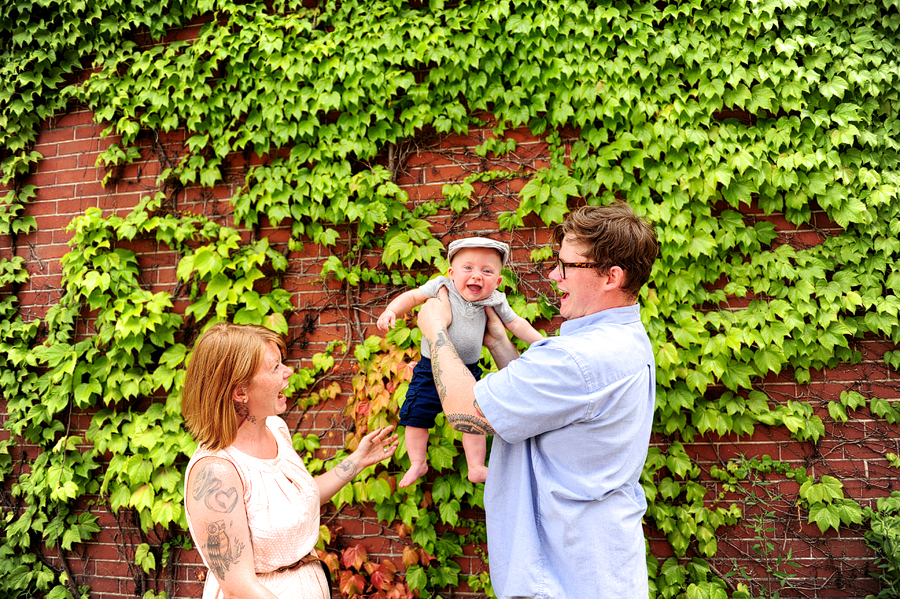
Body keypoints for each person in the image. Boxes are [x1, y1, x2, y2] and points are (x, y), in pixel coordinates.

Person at [416, 203, 659, 599]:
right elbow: (543, 403)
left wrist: (437, 333)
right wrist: (497, 342)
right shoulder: (624, 340)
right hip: (598, 569)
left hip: (564, 577)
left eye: (567, 266)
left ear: (611, 276)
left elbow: (467, 412)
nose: (553, 275)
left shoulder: (578, 358)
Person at [181, 323, 399, 599]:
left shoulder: (275, 429)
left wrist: (357, 461)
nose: (288, 372)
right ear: (240, 392)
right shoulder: (216, 473)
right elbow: (240, 587)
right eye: (274, 368)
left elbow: (298, 502)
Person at [376, 237, 543, 488]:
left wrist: (543, 344)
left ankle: (475, 467)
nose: (477, 275)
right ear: (451, 273)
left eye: (487, 271)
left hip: (469, 370)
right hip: (429, 369)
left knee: (473, 420)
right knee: (415, 416)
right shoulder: (442, 286)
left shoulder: (495, 299)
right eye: (468, 268)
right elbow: (412, 296)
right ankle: (417, 463)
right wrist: (391, 310)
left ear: (497, 281)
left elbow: (517, 323)